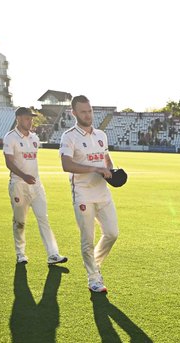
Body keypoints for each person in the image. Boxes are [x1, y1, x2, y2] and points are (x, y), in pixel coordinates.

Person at [59, 95, 116, 292]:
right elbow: (66, 165)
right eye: (83, 111)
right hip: (82, 193)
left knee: (112, 233)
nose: (88, 115)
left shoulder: (101, 135)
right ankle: (93, 278)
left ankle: (94, 264)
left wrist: (112, 172)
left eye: (90, 110)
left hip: (103, 192)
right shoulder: (69, 136)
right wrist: (95, 169)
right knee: (87, 239)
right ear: (73, 113)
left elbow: (106, 159)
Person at [3, 106, 67, 266]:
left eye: (31, 118)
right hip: (18, 184)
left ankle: (53, 254)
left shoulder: (34, 138)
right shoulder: (10, 137)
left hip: (36, 185)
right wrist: (24, 176)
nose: (30, 121)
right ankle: (20, 253)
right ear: (18, 118)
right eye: (26, 118)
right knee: (20, 221)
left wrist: (31, 178)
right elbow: (8, 162)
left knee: (43, 218)